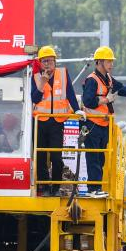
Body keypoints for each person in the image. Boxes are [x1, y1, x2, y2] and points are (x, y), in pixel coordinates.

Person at [81, 46, 126, 197]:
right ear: (99, 62)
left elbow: (121, 89)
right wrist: (106, 100)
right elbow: (87, 101)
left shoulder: (108, 79)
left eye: (111, 61)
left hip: (103, 125)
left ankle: (96, 188)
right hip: (92, 125)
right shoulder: (92, 80)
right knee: (93, 158)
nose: (111, 64)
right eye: (108, 61)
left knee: (100, 158)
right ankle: (92, 189)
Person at [31, 45, 79, 195]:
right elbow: (34, 98)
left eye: (50, 61)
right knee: (40, 156)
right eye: (44, 61)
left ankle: (56, 187)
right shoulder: (35, 76)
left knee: (56, 157)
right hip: (39, 122)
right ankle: (45, 187)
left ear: (55, 62)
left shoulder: (63, 74)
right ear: (40, 63)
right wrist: (42, 83)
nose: (47, 64)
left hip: (57, 122)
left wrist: (77, 109)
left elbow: (70, 93)